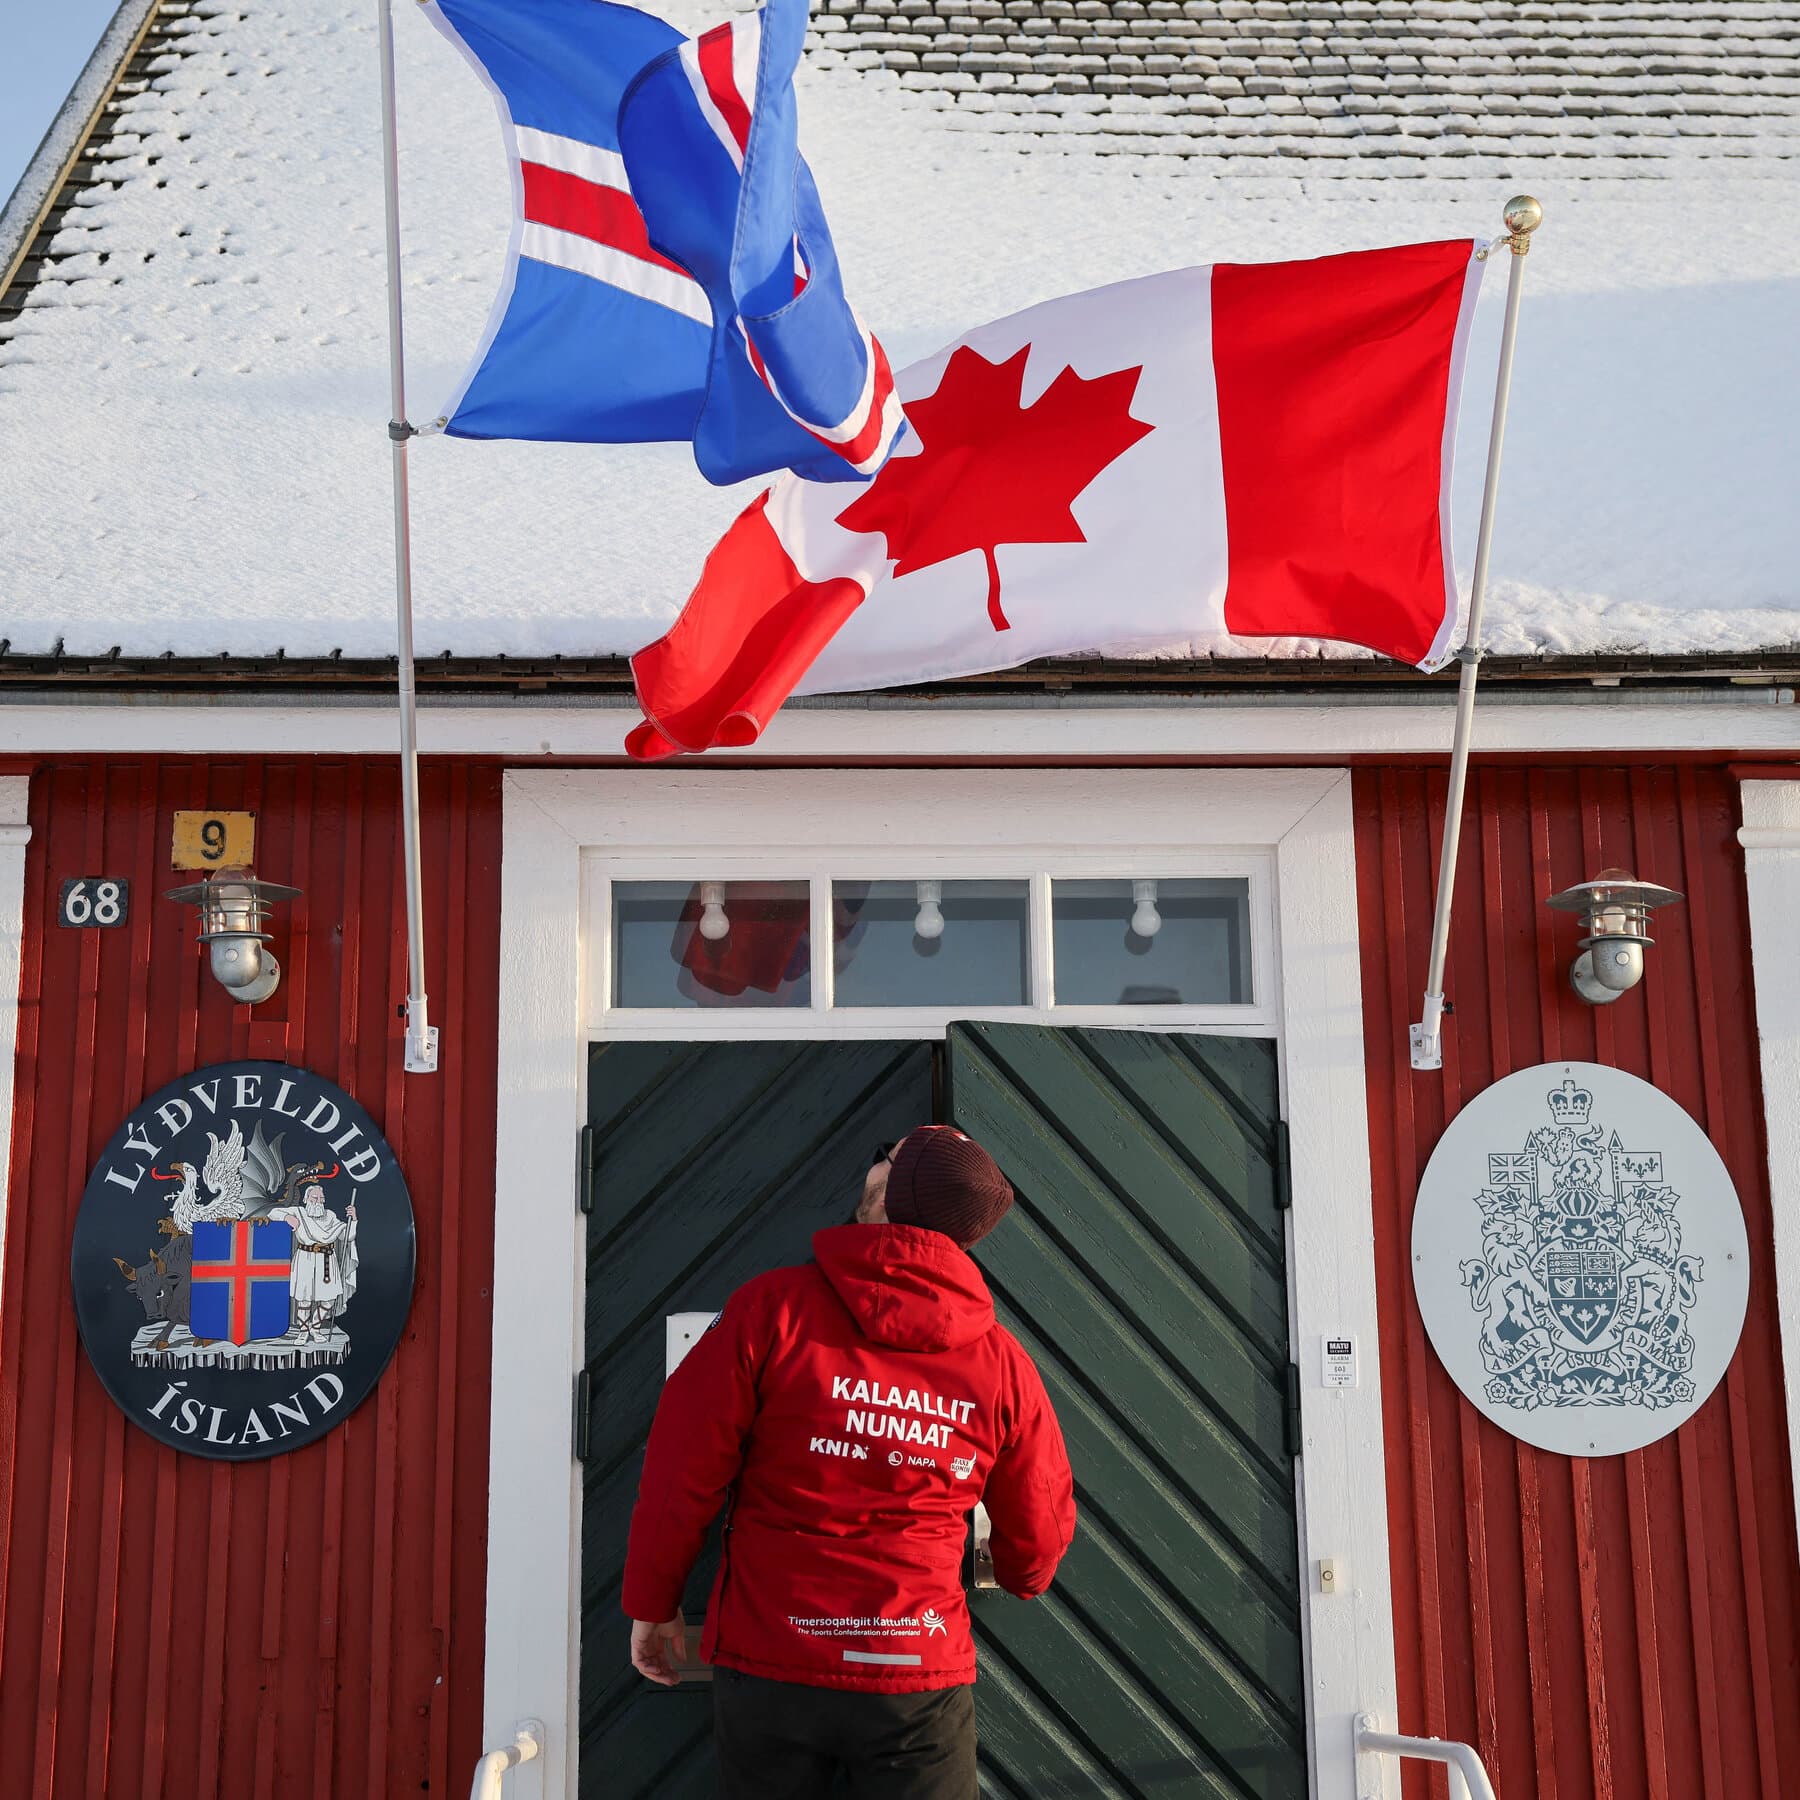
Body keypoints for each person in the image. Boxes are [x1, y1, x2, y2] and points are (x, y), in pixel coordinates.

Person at [622, 1125, 1077, 1799]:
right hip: (913, 1673)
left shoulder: (768, 1310)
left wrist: (652, 1602)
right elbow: (1036, 1531)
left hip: (774, 1657)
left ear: (887, 1187)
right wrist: (1022, 1572)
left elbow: (681, 1470)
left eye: (883, 1157)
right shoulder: (1002, 1363)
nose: (871, 1167)